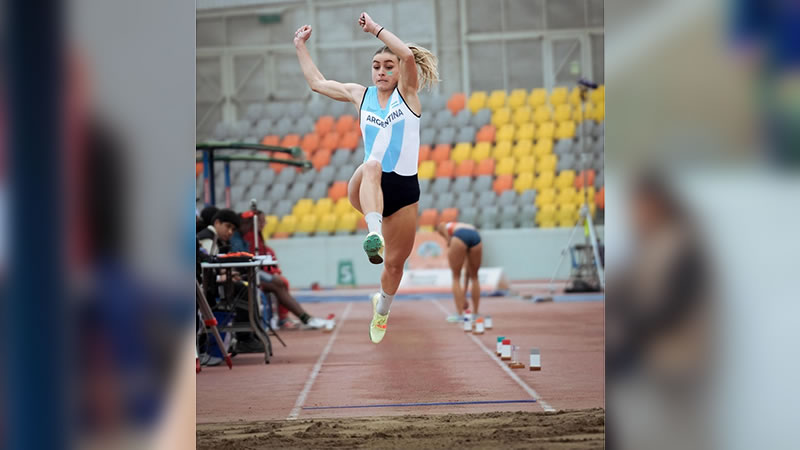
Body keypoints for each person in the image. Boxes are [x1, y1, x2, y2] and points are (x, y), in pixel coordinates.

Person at [294, 12, 439, 343]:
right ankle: (374, 235)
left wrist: (375, 29)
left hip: (403, 192)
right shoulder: (361, 96)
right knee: (372, 164)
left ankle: (382, 310)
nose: (382, 72)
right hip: (366, 185)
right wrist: (299, 46)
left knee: (394, 268)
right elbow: (317, 82)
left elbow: (404, 54)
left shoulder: (409, 95)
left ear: (401, 70)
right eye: (377, 67)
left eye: (388, 66)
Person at [436, 222, 483, 321]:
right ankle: (476, 313)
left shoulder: (448, 226)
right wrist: (463, 297)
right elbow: (467, 274)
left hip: (459, 236)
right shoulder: (464, 225)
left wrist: (448, 240)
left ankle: (459, 314)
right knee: (474, 277)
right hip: (476, 236)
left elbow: (440, 226)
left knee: (455, 277)